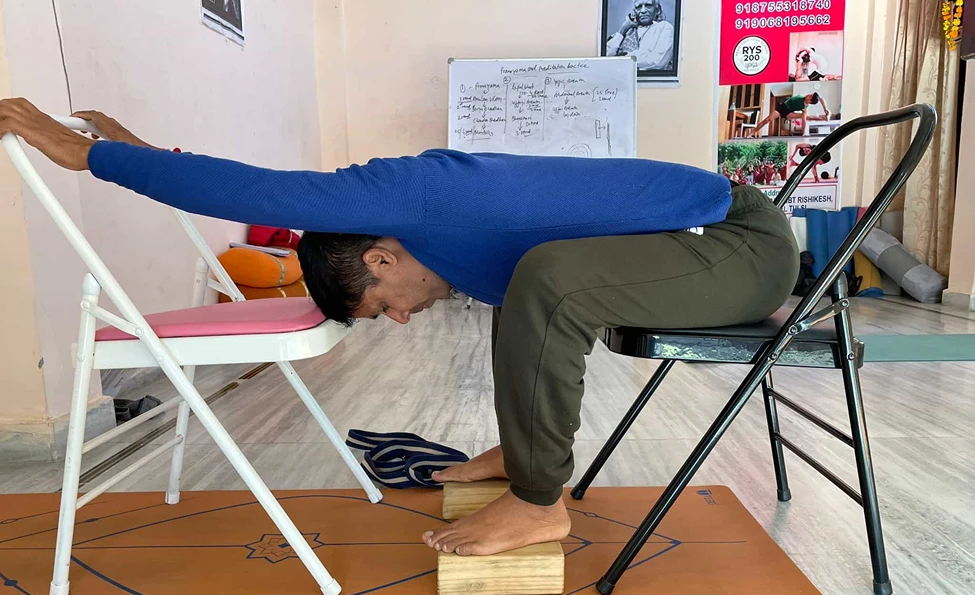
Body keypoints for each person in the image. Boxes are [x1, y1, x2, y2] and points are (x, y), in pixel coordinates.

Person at [0, 98, 799, 557]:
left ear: (380, 259)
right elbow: (249, 188)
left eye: (383, 303)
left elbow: (266, 191)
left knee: (549, 280)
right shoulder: (439, 228)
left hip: (738, 246)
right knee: (529, 279)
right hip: (700, 245)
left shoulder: (414, 194)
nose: (404, 316)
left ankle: (538, 500)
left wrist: (91, 156)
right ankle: (521, 455)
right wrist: (148, 152)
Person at [605, 1, 675, 71]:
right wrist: (624, 28)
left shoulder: (664, 28)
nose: (643, 11)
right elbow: (606, 56)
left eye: (648, 6)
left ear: (657, 10)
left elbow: (658, 62)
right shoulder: (627, 32)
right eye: (638, 7)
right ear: (634, 11)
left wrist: (623, 58)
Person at [748, 92, 830, 138]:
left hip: (789, 113)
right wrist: (825, 109)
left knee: (805, 116)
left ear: (810, 101)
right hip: (782, 108)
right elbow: (821, 98)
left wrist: (803, 133)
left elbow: (804, 120)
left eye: (810, 96)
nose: (808, 94)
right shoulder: (799, 98)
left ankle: (823, 119)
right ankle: (751, 133)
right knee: (767, 120)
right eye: (810, 94)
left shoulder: (805, 106)